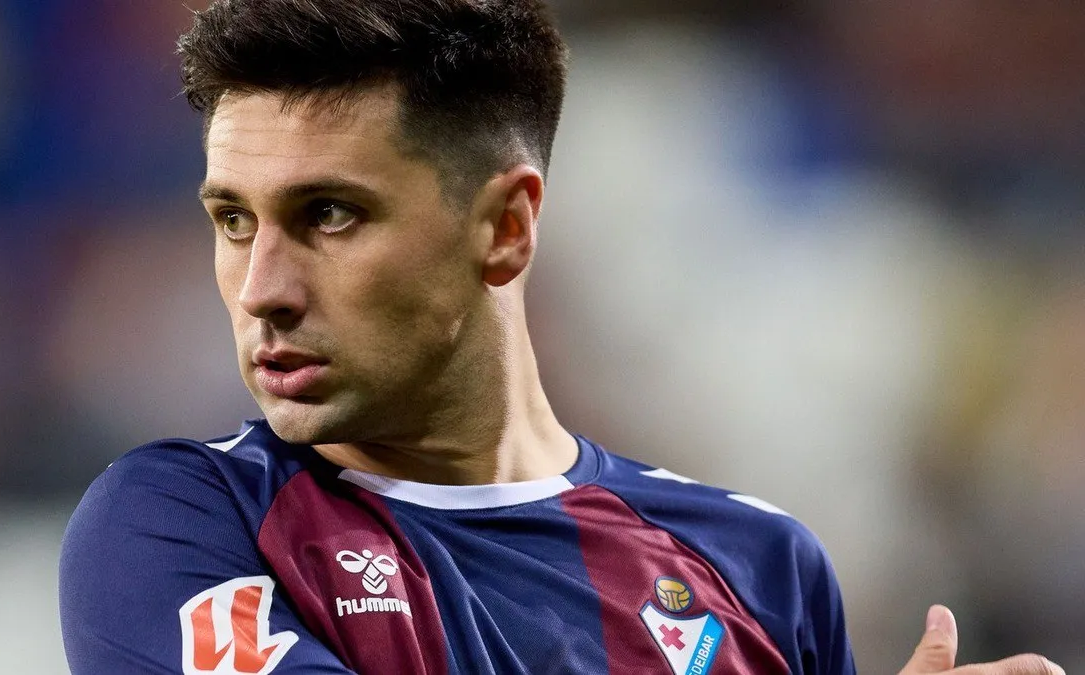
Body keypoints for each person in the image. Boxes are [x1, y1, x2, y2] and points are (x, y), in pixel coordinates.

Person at [58, 1, 1064, 674]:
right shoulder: (182, 522)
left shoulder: (761, 566)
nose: (262, 289)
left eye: (330, 215)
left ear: (505, 227)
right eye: (234, 219)